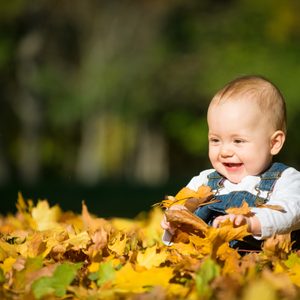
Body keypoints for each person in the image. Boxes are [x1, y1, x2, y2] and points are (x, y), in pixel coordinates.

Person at [161, 75, 300, 249]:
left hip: (262, 266)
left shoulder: (286, 179)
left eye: (238, 141)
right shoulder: (205, 181)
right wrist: (174, 221)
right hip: (207, 263)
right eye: (215, 140)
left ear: (274, 143)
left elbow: (292, 213)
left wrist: (252, 222)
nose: (225, 151)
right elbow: (181, 209)